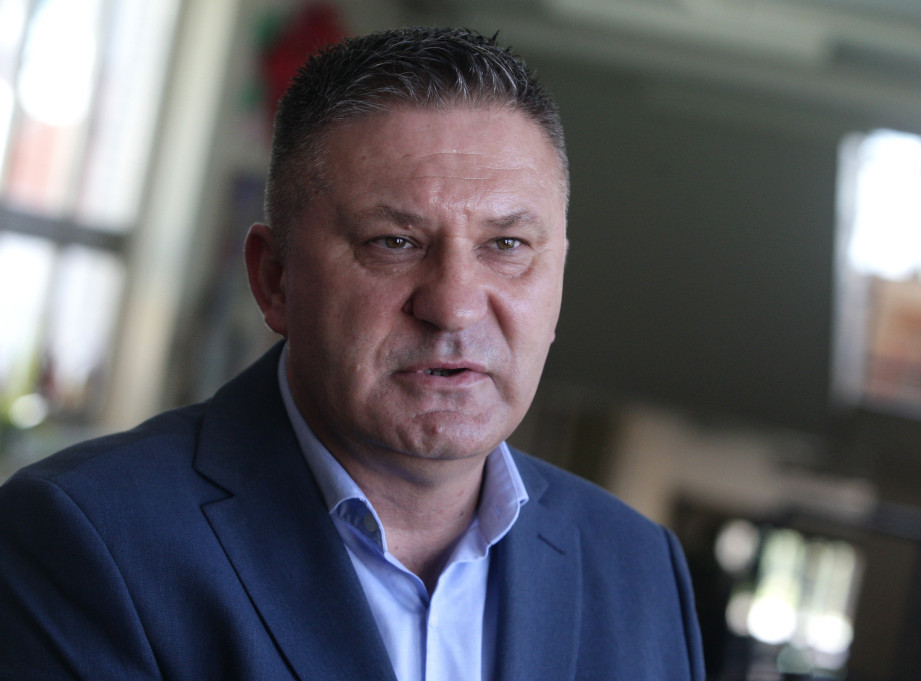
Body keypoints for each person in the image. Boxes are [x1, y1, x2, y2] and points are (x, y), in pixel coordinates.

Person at [0, 27, 704, 680]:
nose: (455, 305)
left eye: (507, 245)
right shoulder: (86, 536)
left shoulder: (638, 569)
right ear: (275, 279)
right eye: (394, 242)